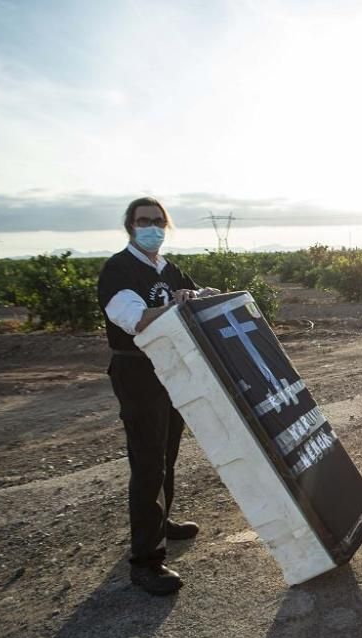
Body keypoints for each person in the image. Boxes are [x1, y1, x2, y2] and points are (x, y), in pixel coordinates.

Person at [97, 197, 220, 596]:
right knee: (148, 461)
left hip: (171, 370)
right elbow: (133, 319)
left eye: (158, 221)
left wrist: (197, 295)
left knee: (167, 452)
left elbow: (185, 295)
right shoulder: (118, 270)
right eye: (143, 221)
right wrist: (174, 304)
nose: (152, 227)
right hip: (137, 372)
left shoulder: (167, 268)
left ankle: (161, 522)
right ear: (130, 226)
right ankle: (146, 562)